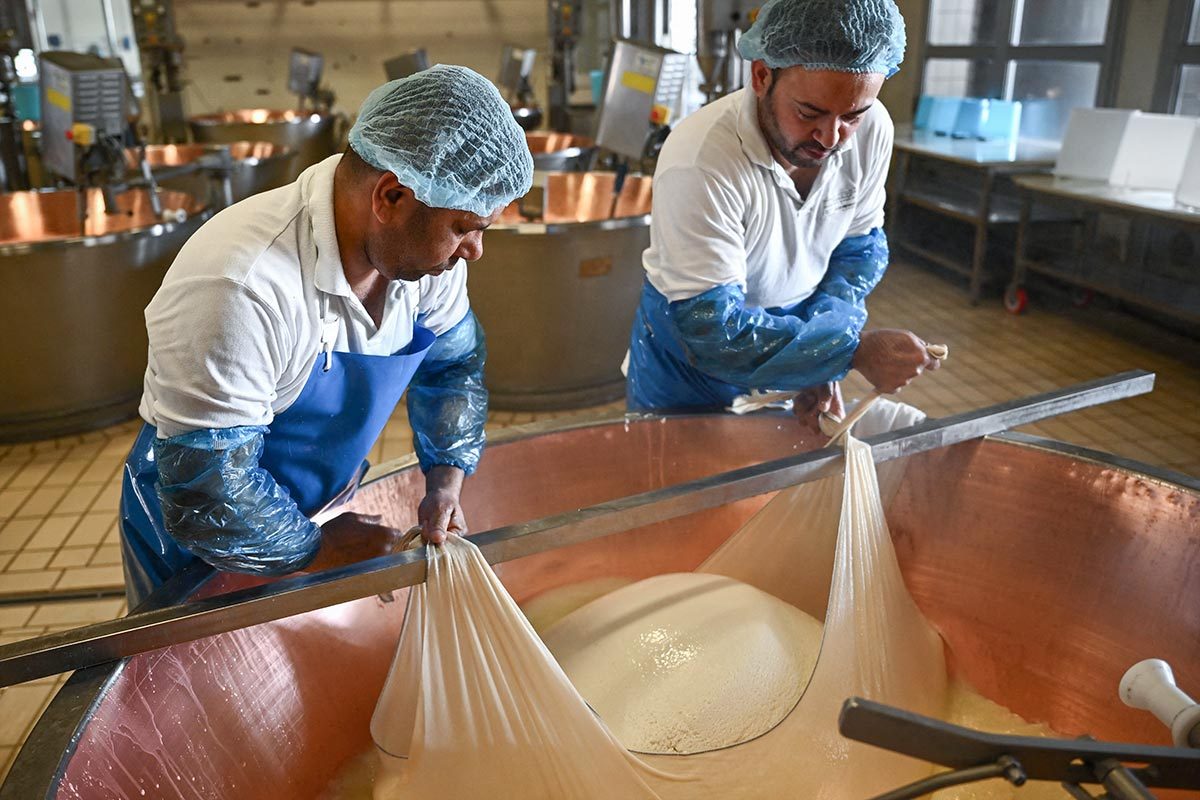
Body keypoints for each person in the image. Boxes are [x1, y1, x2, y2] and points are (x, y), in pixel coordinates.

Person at [119, 65, 534, 606]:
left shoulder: (423, 263)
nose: (474, 252)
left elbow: (452, 367)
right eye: (463, 228)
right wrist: (319, 552)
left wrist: (445, 482)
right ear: (390, 197)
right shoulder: (241, 286)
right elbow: (208, 488)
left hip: (311, 517)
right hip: (200, 545)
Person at [625, 0, 940, 431]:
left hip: (796, 330)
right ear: (761, 76)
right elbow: (712, 329)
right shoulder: (700, 160)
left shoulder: (874, 130)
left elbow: (856, 255)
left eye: (851, 116)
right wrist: (846, 352)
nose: (831, 138)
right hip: (691, 369)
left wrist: (818, 356)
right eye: (809, 112)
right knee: (685, 483)